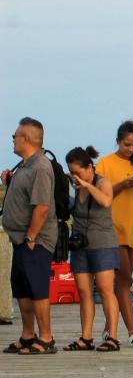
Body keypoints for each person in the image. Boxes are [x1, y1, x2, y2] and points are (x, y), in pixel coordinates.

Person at [95, 120, 133, 346]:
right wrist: (125, 183)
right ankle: (132, 332)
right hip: (112, 227)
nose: (130, 149)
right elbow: (101, 194)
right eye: (126, 144)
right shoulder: (105, 163)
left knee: (125, 283)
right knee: (124, 279)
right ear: (118, 141)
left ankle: (109, 328)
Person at [1, 118, 58, 355]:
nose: (13, 139)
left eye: (15, 136)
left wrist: (31, 237)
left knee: (37, 288)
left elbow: (42, 207)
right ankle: (28, 335)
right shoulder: (25, 166)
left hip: (35, 240)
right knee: (22, 289)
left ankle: (46, 338)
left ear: (26, 138)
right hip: (20, 239)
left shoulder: (41, 167)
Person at [62, 147, 121, 352]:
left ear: (89, 168)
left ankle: (112, 336)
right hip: (80, 245)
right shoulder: (73, 185)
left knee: (105, 290)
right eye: (71, 172)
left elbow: (106, 201)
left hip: (103, 243)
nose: (74, 176)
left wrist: (87, 184)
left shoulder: (102, 182)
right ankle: (86, 337)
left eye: (77, 172)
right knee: (84, 291)